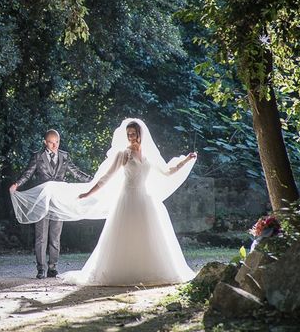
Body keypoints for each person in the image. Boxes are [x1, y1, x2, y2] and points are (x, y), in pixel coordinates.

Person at [10, 118, 197, 286]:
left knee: (150, 235)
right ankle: (44, 269)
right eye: (129, 134)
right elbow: (106, 178)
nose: (131, 137)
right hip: (125, 200)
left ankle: (151, 271)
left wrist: (187, 161)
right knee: (121, 238)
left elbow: (167, 171)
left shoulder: (148, 156)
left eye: (134, 134)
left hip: (145, 200)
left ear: (141, 134)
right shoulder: (123, 154)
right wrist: (88, 192)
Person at [10, 129, 91, 279]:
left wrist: (94, 181)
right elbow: (27, 173)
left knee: (55, 236)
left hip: (58, 202)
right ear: (45, 142)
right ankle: (41, 268)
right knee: (41, 236)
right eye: (51, 142)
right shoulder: (37, 156)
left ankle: (53, 268)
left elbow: (77, 173)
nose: (54, 145)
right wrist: (16, 184)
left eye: (57, 142)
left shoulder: (64, 156)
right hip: (42, 202)